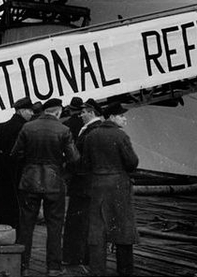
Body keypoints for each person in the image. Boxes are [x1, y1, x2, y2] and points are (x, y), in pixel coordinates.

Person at [11, 98, 79, 277]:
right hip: (54, 182)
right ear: (58, 112)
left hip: (29, 181)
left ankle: (23, 266)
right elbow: (74, 159)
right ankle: (53, 267)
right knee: (55, 226)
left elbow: (15, 153)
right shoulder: (64, 130)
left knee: (26, 226)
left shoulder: (28, 128)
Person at [82, 102, 139, 277]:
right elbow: (132, 162)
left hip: (98, 185)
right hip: (118, 187)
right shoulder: (120, 136)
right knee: (123, 229)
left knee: (98, 230)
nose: (125, 119)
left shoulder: (91, 135)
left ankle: (97, 271)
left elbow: (85, 162)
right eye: (122, 116)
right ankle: (125, 270)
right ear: (112, 117)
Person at [62, 98, 104, 268]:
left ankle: (74, 257)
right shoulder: (91, 129)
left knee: (77, 222)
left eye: (84, 112)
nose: (81, 115)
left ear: (92, 113)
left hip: (83, 184)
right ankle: (83, 256)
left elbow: (85, 160)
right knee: (84, 221)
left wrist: (69, 163)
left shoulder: (92, 131)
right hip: (88, 185)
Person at [0, 97, 34, 229]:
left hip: (4, 172)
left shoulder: (4, 126)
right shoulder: (24, 127)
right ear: (21, 111)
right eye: (30, 111)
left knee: (5, 207)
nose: (32, 114)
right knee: (16, 209)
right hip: (18, 172)